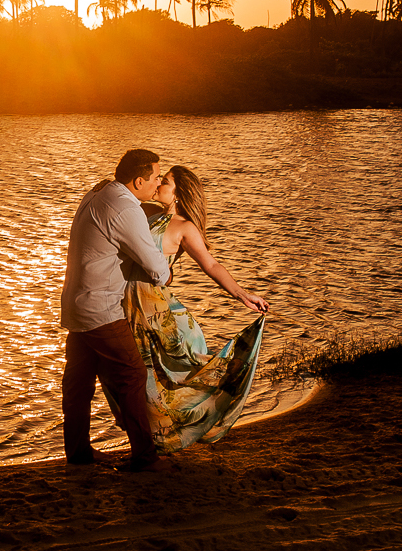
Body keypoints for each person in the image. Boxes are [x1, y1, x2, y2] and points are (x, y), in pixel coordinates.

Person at [116, 164, 269, 454]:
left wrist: (243, 295)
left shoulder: (184, 228)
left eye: (167, 182)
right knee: (127, 373)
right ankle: (146, 441)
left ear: (179, 193)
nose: (159, 184)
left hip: (155, 311)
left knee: (157, 375)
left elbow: (210, 265)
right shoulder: (146, 213)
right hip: (125, 305)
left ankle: (156, 442)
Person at [60, 149, 172, 473]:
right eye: (155, 178)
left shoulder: (98, 191)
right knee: (133, 374)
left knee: (78, 383)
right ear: (139, 180)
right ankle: (145, 458)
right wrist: (167, 274)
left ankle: (78, 454)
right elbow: (155, 268)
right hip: (100, 309)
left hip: (75, 305)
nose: (158, 183)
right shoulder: (126, 207)